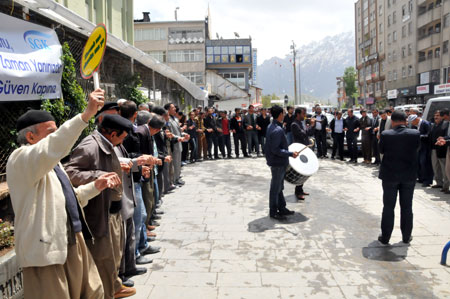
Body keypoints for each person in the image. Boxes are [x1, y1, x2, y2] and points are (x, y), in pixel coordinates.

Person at [6, 90, 118, 299]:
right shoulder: (20, 159)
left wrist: (96, 186)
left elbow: (69, 198)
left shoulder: (50, 163)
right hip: (45, 255)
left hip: (73, 242)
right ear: (31, 137)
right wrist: (85, 116)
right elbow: (56, 144)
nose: (56, 136)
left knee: (94, 292)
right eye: (51, 132)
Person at [65, 113, 137, 299]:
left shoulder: (107, 143)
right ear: (113, 134)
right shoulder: (90, 146)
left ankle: (113, 287)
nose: (123, 142)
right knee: (103, 258)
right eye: (122, 137)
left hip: (113, 210)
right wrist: (98, 176)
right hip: (99, 213)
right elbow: (71, 172)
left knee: (113, 256)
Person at [378, 110, 420, 245]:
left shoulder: (386, 134)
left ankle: (385, 237)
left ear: (393, 121)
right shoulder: (415, 133)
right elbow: (417, 148)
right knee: (407, 207)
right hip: (409, 175)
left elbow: (381, 150)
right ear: (405, 120)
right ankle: (406, 237)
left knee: (388, 207)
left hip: (390, 175)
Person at [265, 105, 299, 220]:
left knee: (279, 187)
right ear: (280, 115)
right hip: (278, 163)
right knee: (275, 188)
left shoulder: (272, 126)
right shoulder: (277, 130)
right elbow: (276, 150)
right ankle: (273, 212)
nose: (284, 115)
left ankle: (282, 208)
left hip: (277, 162)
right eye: (283, 114)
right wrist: (290, 153)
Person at [291, 107, 315, 200]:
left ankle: (300, 189)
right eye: (303, 113)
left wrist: (312, 126)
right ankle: (297, 192)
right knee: (300, 171)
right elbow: (303, 134)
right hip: (299, 149)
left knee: (304, 171)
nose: (304, 115)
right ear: (298, 114)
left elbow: (310, 133)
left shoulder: (302, 123)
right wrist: (311, 126)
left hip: (305, 148)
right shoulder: (294, 124)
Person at [409, 114, 433, 187]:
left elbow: (429, 134)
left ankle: (427, 180)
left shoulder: (425, 124)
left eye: (412, 122)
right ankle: (421, 178)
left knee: (424, 163)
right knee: (419, 162)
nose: (411, 124)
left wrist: (420, 136)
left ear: (416, 120)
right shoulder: (414, 126)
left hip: (426, 147)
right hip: (419, 147)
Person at [430, 111, 449, 192]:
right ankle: (439, 183)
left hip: (442, 149)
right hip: (434, 149)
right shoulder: (433, 125)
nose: (436, 117)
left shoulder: (445, 125)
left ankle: (446, 185)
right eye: (435, 115)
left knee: (445, 168)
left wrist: (443, 140)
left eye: (438, 115)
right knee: (436, 166)